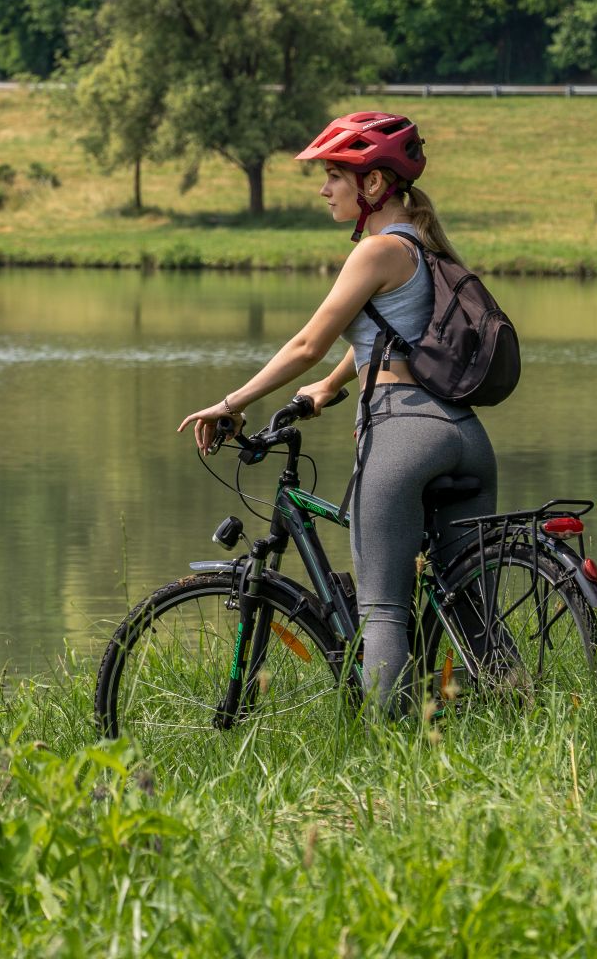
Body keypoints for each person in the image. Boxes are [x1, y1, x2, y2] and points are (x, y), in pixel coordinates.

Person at [177, 110, 495, 712]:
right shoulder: (424, 245)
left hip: (404, 434)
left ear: (372, 184)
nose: (324, 190)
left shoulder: (374, 252)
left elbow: (306, 344)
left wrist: (230, 403)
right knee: (469, 608)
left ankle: (388, 748)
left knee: (383, 610)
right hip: (465, 437)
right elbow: (390, 332)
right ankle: (509, 712)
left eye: (333, 176)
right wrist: (327, 385)